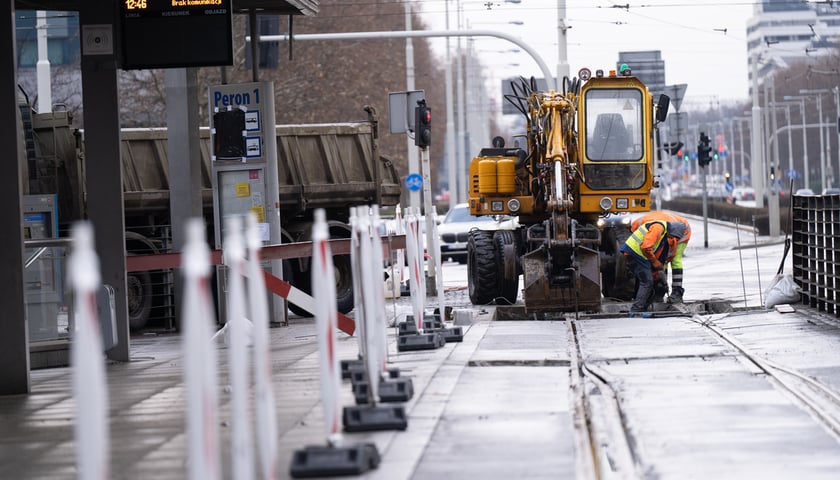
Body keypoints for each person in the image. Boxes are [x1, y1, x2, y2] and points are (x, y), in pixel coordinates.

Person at [620, 220, 688, 312]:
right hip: (635, 252)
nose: (671, 238)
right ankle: (637, 309)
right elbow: (646, 247)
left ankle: (642, 307)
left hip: (639, 254)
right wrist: (654, 261)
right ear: (672, 231)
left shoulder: (663, 233)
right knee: (647, 281)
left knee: (647, 281)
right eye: (672, 236)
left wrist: (656, 269)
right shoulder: (658, 227)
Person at [631, 212, 692, 304]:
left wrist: (657, 262)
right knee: (661, 260)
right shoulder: (638, 227)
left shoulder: (669, 233)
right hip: (661, 229)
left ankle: (677, 291)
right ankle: (660, 290)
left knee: (675, 259)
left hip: (683, 231)